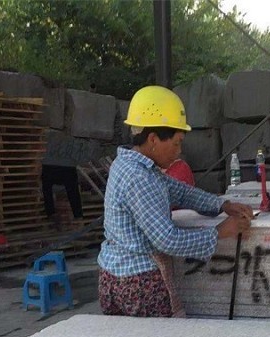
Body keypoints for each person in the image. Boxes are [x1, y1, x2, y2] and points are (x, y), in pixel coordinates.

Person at [98, 85, 253, 317]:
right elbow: (167, 240)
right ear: (153, 139)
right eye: (176, 142)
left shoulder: (132, 165)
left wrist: (222, 205)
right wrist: (220, 232)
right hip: (138, 285)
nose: (179, 151)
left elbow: (179, 191)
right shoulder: (140, 177)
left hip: (114, 276)